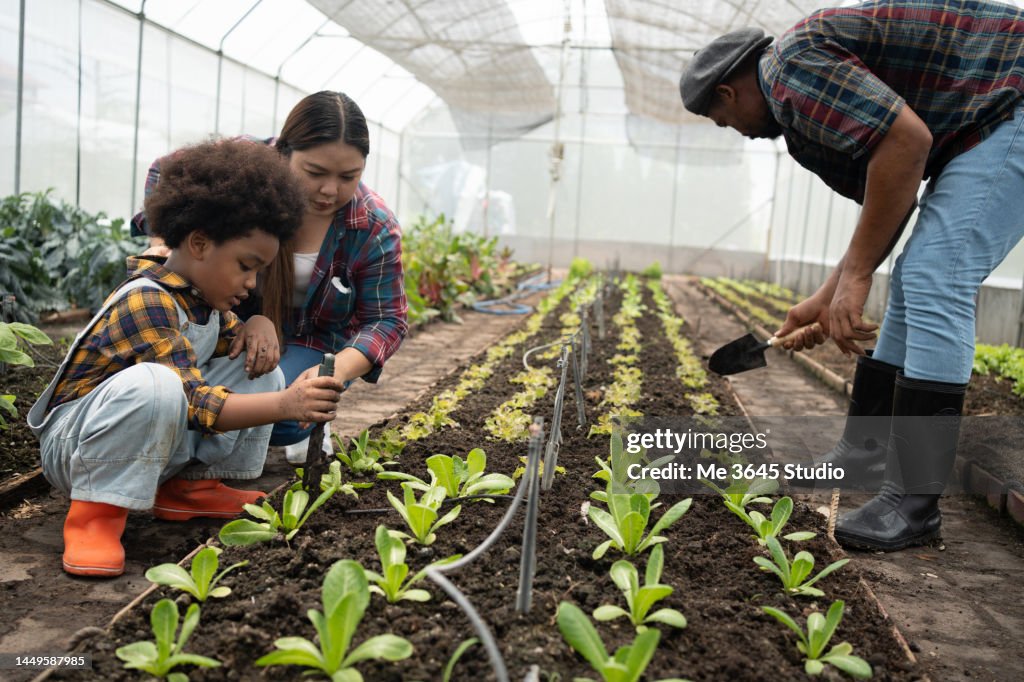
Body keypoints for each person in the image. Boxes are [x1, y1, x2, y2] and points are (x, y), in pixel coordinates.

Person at [678, 0, 1024, 551]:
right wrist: (828, 292)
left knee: (938, 275)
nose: (735, 131)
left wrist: (857, 277)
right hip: (984, 118)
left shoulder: (790, 71)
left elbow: (907, 146)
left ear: (728, 92)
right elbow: (892, 190)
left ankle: (914, 504)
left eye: (724, 120)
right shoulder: (796, 78)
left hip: (1013, 99)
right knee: (918, 276)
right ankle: (864, 452)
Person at [28, 140, 345, 577]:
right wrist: (288, 406)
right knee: (156, 384)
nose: (252, 284)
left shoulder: (205, 301)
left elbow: (233, 359)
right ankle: (94, 515)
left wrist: (256, 327)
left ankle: (189, 489)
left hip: (144, 441)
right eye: (245, 266)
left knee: (258, 366)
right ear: (198, 243)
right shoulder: (147, 300)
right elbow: (193, 401)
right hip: (77, 447)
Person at [131, 92, 408, 462]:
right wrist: (167, 241)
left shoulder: (371, 226)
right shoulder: (246, 166)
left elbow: (386, 319)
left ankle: (219, 451)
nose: (330, 190)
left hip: (303, 340)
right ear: (285, 153)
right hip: (223, 320)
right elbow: (164, 172)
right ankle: (185, 455)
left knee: (286, 414)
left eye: (348, 177)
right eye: (314, 172)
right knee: (173, 389)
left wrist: (333, 375)